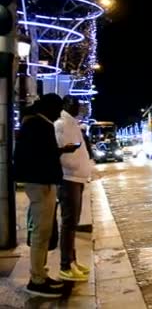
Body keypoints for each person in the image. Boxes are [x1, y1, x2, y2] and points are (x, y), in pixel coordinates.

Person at [14, 93, 79, 298]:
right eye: (57, 108)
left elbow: (39, 153)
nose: (59, 113)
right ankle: (37, 280)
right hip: (41, 184)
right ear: (49, 108)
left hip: (43, 182)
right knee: (41, 234)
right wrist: (57, 153)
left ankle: (41, 274)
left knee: (43, 232)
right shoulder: (38, 125)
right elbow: (36, 156)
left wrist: (58, 150)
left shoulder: (36, 123)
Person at [54, 96, 92, 282]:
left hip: (76, 177)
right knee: (69, 223)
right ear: (67, 106)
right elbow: (63, 153)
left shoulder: (72, 124)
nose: (78, 107)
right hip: (69, 178)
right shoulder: (62, 124)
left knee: (72, 223)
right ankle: (65, 266)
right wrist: (76, 165)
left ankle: (72, 261)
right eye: (75, 104)